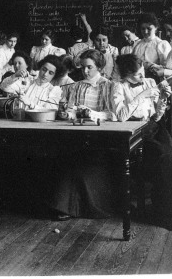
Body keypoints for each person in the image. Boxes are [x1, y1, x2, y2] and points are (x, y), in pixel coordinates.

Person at [112, 54, 172, 230]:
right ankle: (164, 215)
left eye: (142, 73)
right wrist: (142, 95)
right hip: (133, 131)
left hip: (153, 127)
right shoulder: (118, 87)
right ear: (125, 75)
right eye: (137, 75)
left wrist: (163, 99)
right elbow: (121, 116)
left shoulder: (148, 82)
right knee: (165, 158)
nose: (142, 78)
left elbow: (156, 115)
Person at [49, 49, 117, 220]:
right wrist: (67, 114)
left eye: (90, 68)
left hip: (101, 135)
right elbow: (71, 109)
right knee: (67, 158)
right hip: (78, 133)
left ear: (100, 67)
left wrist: (92, 114)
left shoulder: (109, 85)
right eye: (83, 68)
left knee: (83, 162)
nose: (85, 71)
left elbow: (111, 114)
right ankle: (66, 206)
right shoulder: (76, 86)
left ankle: (79, 207)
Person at [150, 13, 172, 138]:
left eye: (170, 30)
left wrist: (164, 72)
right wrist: (163, 69)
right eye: (166, 31)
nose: (168, 34)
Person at [132, 13, 171, 82]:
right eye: (143, 29)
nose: (145, 31)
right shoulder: (137, 44)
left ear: (156, 28)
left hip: (156, 80)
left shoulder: (161, 44)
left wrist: (150, 66)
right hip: (138, 80)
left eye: (149, 29)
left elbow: (167, 68)